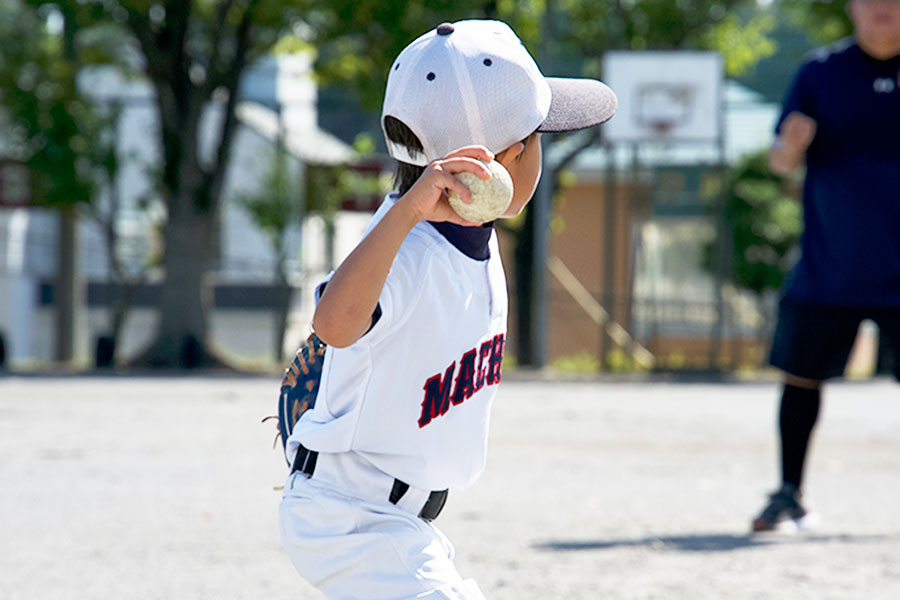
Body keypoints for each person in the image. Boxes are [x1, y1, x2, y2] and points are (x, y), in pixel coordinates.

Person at [278, 19, 617, 599]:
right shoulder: (406, 249)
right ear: (506, 160)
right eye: (539, 138)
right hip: (352, 518)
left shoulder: (469, 238)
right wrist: (406, 216)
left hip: (402, 521)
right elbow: (334, 325)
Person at [751, 0, 900, 533]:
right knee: (800, 378)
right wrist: (788, 146)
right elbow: (778, 161)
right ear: (852, 7)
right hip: (832, 261)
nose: (882, 8)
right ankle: (789, 493)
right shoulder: (820, 73)